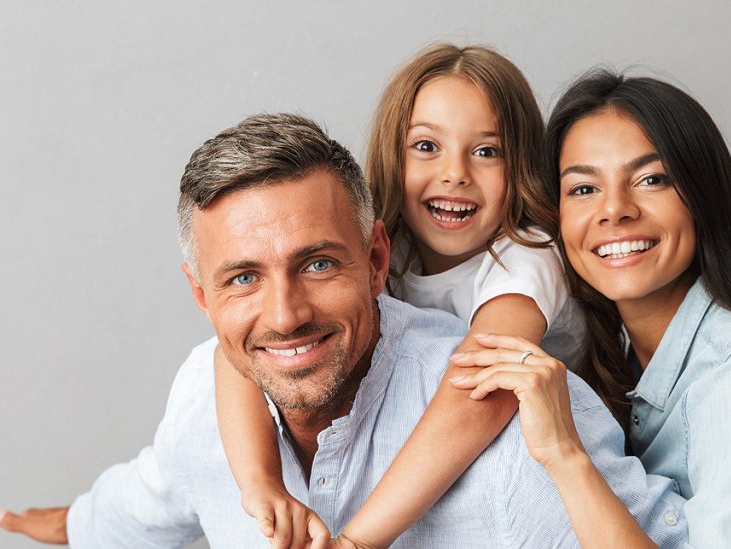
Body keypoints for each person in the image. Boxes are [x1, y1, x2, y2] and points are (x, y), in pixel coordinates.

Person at [0, 112, 689, 548]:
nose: (286, 312)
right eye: (242, 278)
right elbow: (145, 500)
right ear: (201, 296)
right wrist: (73, 523)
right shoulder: (207, 396)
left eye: (317, 262)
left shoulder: (519, 436)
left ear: (376, 258)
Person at [451, 70, 731, 547]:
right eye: (583, 189)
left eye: (651, 180)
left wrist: (565, 453)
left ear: (703, 197)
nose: (615, 210)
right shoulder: (619, 360)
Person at [214, 44, 590, 548]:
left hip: (536, 470)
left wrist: (359, 541)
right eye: (427, 147)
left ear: (519, 166)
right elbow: (232, 357)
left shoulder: (527, 255)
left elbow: (479, 392)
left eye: (486, 151)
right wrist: (260, 484)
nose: (455, 173)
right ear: (394, 155)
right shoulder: (382, 251)